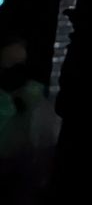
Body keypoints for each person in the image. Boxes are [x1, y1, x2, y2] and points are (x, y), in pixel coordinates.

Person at [0, 33, 60, 203]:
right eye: (9, 67)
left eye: (20, 66)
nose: (15, 73)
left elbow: (47, 142)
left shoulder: (35, 94)